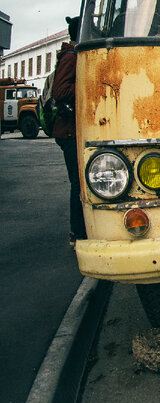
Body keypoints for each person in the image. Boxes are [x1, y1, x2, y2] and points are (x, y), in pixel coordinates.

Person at [52, 16, 86, 243]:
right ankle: (78, 233)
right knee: (78, 184)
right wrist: (87, 81)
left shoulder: (73, 55)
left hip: (71, 130)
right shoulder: (71, 57)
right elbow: (60, 91)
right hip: (68, 132)